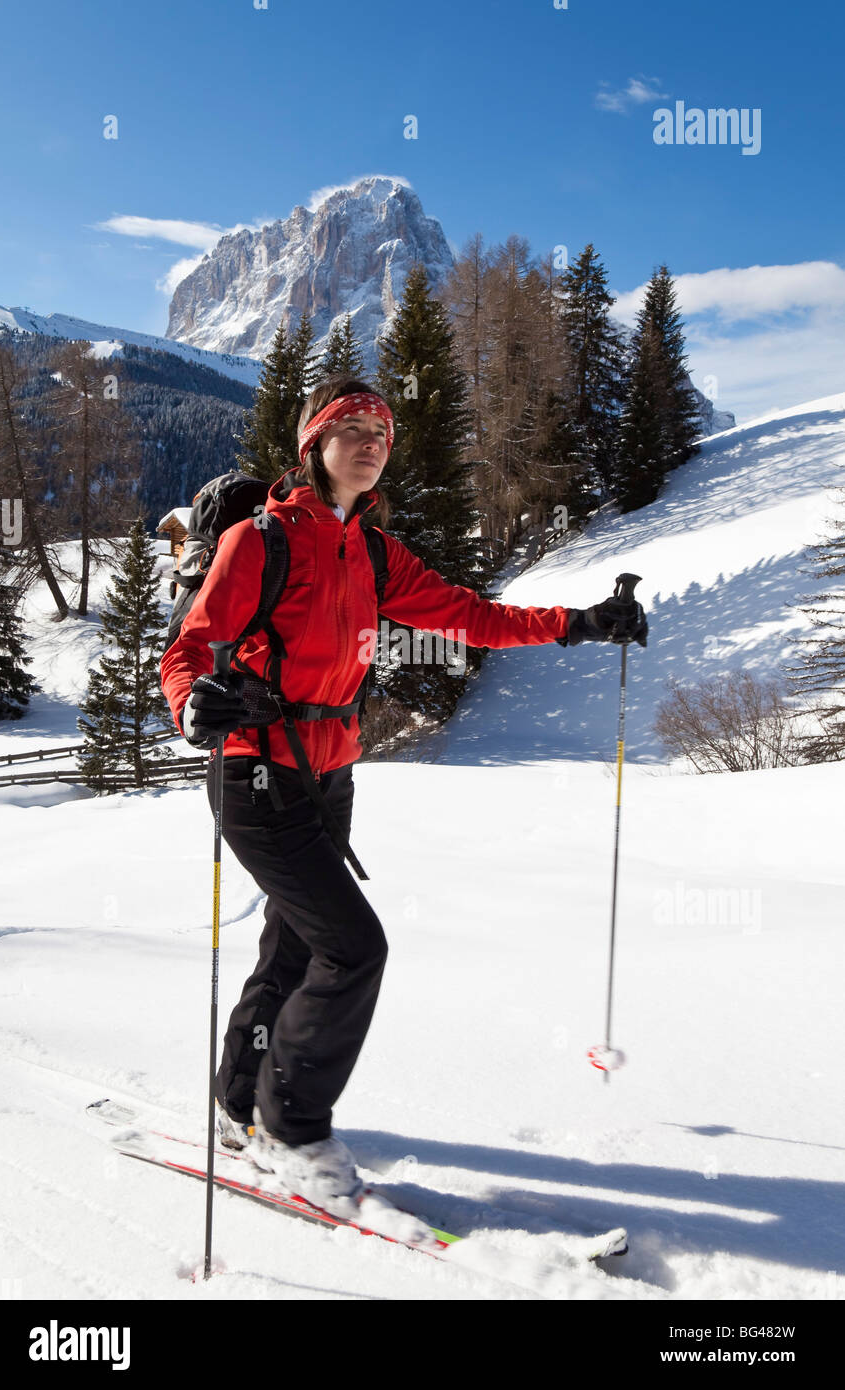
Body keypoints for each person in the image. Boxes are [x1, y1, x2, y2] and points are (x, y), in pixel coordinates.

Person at [159, 373, 647, 1219]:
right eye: (351, 427)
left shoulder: (373, 551)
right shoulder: (262, 540)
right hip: (258, 774)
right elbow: (190, 649)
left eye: (382, 430)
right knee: (354, 949)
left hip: (331, 777)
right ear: (314, 445)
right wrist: (195, 701)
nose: (371, 441)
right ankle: (292, 1130)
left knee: (297, 950)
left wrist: (582, 621)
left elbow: (473, 616)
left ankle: (240, 1100)